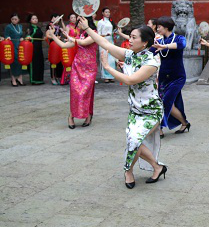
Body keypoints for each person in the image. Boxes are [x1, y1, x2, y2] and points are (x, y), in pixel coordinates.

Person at [78, 17, 167, 188]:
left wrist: (108, 68)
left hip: (151, 110)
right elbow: (106, 44)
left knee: (134, 140)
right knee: (133, 141)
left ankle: (128, 171)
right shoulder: (130, 55)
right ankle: (157, 167)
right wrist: (88, 29)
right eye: (130, 36)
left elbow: (130, 80)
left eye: (134, 37)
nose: (129, 40)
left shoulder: (152, 61)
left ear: (145, 42)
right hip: (135, 110)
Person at [46, 17, 98, 128]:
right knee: (75, 92)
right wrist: (53, 35)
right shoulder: (78, 36)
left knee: (85, 92)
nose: (78, 23)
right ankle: (71, 116)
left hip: (89, 68)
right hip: (77, 67)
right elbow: (63, 45)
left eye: (80, 21)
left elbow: (84, 43)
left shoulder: (94, 33)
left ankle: (88, 115)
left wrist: (70, 37)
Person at [152, 16, 190, 138]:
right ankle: (184, 123)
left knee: (166, 101)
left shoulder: (178, 38)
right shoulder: (159, 41)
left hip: (177, 76)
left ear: (167, 27)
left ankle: (160, 128)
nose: (157, 29)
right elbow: (148, 51)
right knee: (170, 102)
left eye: (159, 27)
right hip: (163, 77)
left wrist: (165, 47)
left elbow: (182, 44)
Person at [4, 13, 25, 86]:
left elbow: (21, 35)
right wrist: (7, 37)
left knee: (20, 61)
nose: (14, 20)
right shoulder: (8, 27)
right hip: (12, 45)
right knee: (13, 62)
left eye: (16, 19)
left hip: (20, 46)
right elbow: (6, 35)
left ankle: (20, 78)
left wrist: (22, 38)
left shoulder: (20, 26)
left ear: (18, 20)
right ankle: (13, 79)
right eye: (12, 19)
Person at [97, 7, 116, 83]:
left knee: (111, 59)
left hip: (110, 41)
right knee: (105, 58)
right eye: (106, 12)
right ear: (102, 13)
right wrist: (104, 35)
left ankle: (111, 75)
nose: (108, 13)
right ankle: (105, 76)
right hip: (103, 42)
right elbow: (98, 33)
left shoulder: (111, 22)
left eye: (108, 12)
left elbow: (113, 32)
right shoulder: (100, 22)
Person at [26, 14, 45, 85]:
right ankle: (34, 79)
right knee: (34, 63)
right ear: (30, 20)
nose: (35, 20)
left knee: (40, 62)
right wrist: (28, 37)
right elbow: (27, 35)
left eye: (36, 18)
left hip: (39, 47)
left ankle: (40, 79)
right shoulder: (29, 28)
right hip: (33, 47)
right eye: (33, 19)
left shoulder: (38, 28)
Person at [47, 14, 64, 85]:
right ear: (52, 18)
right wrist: (55, 38)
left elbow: (65, 30)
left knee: (59, 61)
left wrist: (62, 21)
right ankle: (53, 77)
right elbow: (47, 35)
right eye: (56, 17)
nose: (57, 19)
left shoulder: (58, 26)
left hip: (59, 44)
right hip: (53, 45)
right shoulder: (50, 25)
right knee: (53, 60)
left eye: (58, 18)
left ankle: (59, 77)